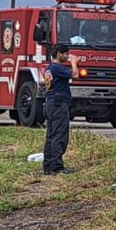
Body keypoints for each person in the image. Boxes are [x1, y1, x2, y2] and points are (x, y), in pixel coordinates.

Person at [42, 45, 78, 175]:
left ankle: (48, 166)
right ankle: (56, 167)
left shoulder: (49, 68)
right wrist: (74, 63)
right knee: (59, 135)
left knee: (51, 136)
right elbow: (75, 75)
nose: (67, 56)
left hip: (50, 103)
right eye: (66, 54)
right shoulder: (57, 67)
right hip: (58, 104)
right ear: (58, 54)